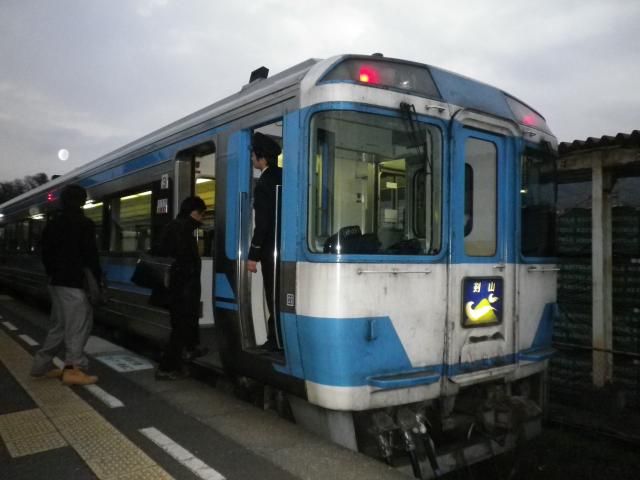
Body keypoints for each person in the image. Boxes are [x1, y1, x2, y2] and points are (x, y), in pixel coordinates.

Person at [31, 184, 101, 385]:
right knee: (78, 326)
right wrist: (95, 279)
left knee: (59, 327)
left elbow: (44, 253)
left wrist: (53, 273)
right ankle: (73, 369)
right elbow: (90, 256)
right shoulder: (83, 223)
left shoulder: (53, 224)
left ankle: (40, 366)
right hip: (74, 284)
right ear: (81, 201)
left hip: (56, 283)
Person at [155, 196, 207, 380]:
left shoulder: (173, 226)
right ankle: (166, 368)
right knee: (179, 330)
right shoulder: (184, 229)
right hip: (182, 289)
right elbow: (185, 262)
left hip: (174, 288)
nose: (202, 220)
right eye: (201, 215)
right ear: (194, 213)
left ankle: (187, 353)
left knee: (180, 327)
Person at [247, 132, 282, 351]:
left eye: (253, 156)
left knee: (273, 295)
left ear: (262, 159)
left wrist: (253, 255)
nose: (252, 159)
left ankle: (275, 341)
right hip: (287, 248)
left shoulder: (263, 184)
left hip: (271, 250)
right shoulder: (286, 176)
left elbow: (263, 224)